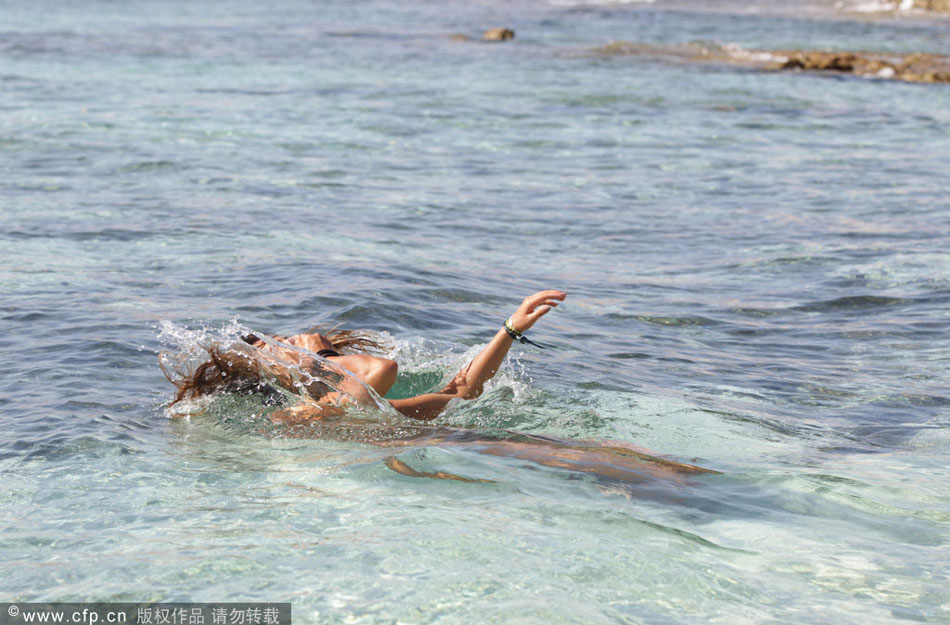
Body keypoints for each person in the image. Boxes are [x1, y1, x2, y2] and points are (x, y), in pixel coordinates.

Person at [163, 290, 718, 483]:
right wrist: (315, 357)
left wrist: (508, 329)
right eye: (274, 344)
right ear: (265, 372)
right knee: (615, 467)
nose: (298, 338)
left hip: (455, 442)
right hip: (434, 453)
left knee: (632, 461)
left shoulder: (365, 400)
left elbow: (462, 390)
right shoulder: (292, 418)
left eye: (322, 347)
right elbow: (376, 372)